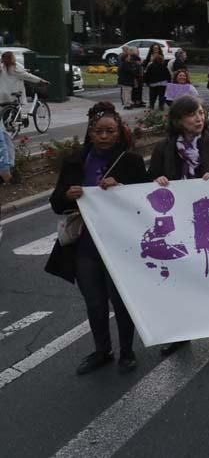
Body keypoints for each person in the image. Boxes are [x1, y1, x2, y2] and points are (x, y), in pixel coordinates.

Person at [49, 102, 149, 374]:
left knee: (120, 300)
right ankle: (102, 350)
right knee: (94, 301)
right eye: (99, 132)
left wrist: (121, 188)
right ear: (90, 133)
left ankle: (127, 352)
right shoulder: (75, 161)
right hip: (86, 244)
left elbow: (146, 201)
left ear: (118, 134)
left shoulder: (131, 162)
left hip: (120, 244)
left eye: (110, 132)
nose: (104, 137)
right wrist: (67, 196)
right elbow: (56, 203)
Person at [150, 96, 209, 354]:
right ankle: (181, 332)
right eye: (192, 114)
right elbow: (149, 182)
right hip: (178, 225)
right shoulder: (163, 149)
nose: (199, 118)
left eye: (201, 113)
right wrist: (158, 180)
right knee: (180, 279)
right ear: (178, 121)